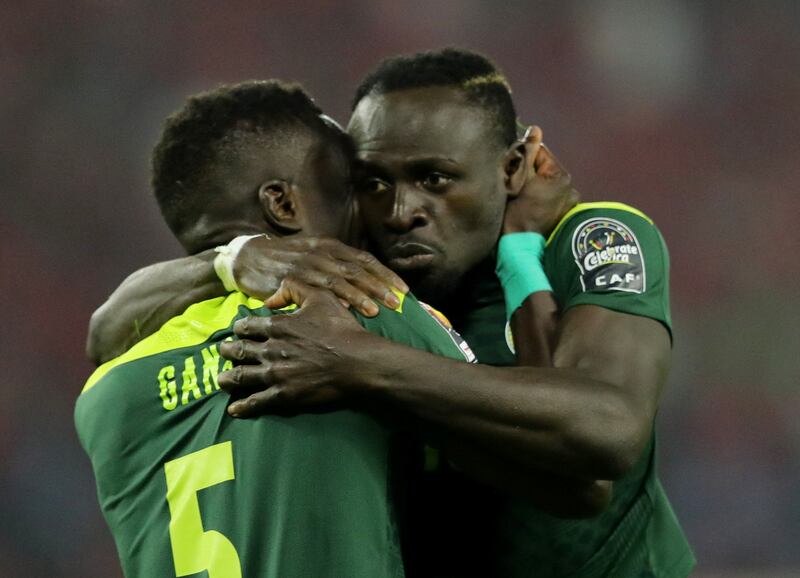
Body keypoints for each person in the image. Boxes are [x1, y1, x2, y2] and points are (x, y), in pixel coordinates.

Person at [89, 49, 695, 577]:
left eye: (434, 178)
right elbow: (105, 328)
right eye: (373, 182)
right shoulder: (362, 275)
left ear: (511, 169)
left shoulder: (590, 238)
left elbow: (606, 432)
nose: (401, 209)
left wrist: (369, 363)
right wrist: (233, 257)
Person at [75, 80, 477, 578]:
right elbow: (521, 452)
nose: (380, 211)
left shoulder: (110, 396)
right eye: (352, 185)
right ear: (283, 205)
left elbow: (105, 334)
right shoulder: (360, 308)